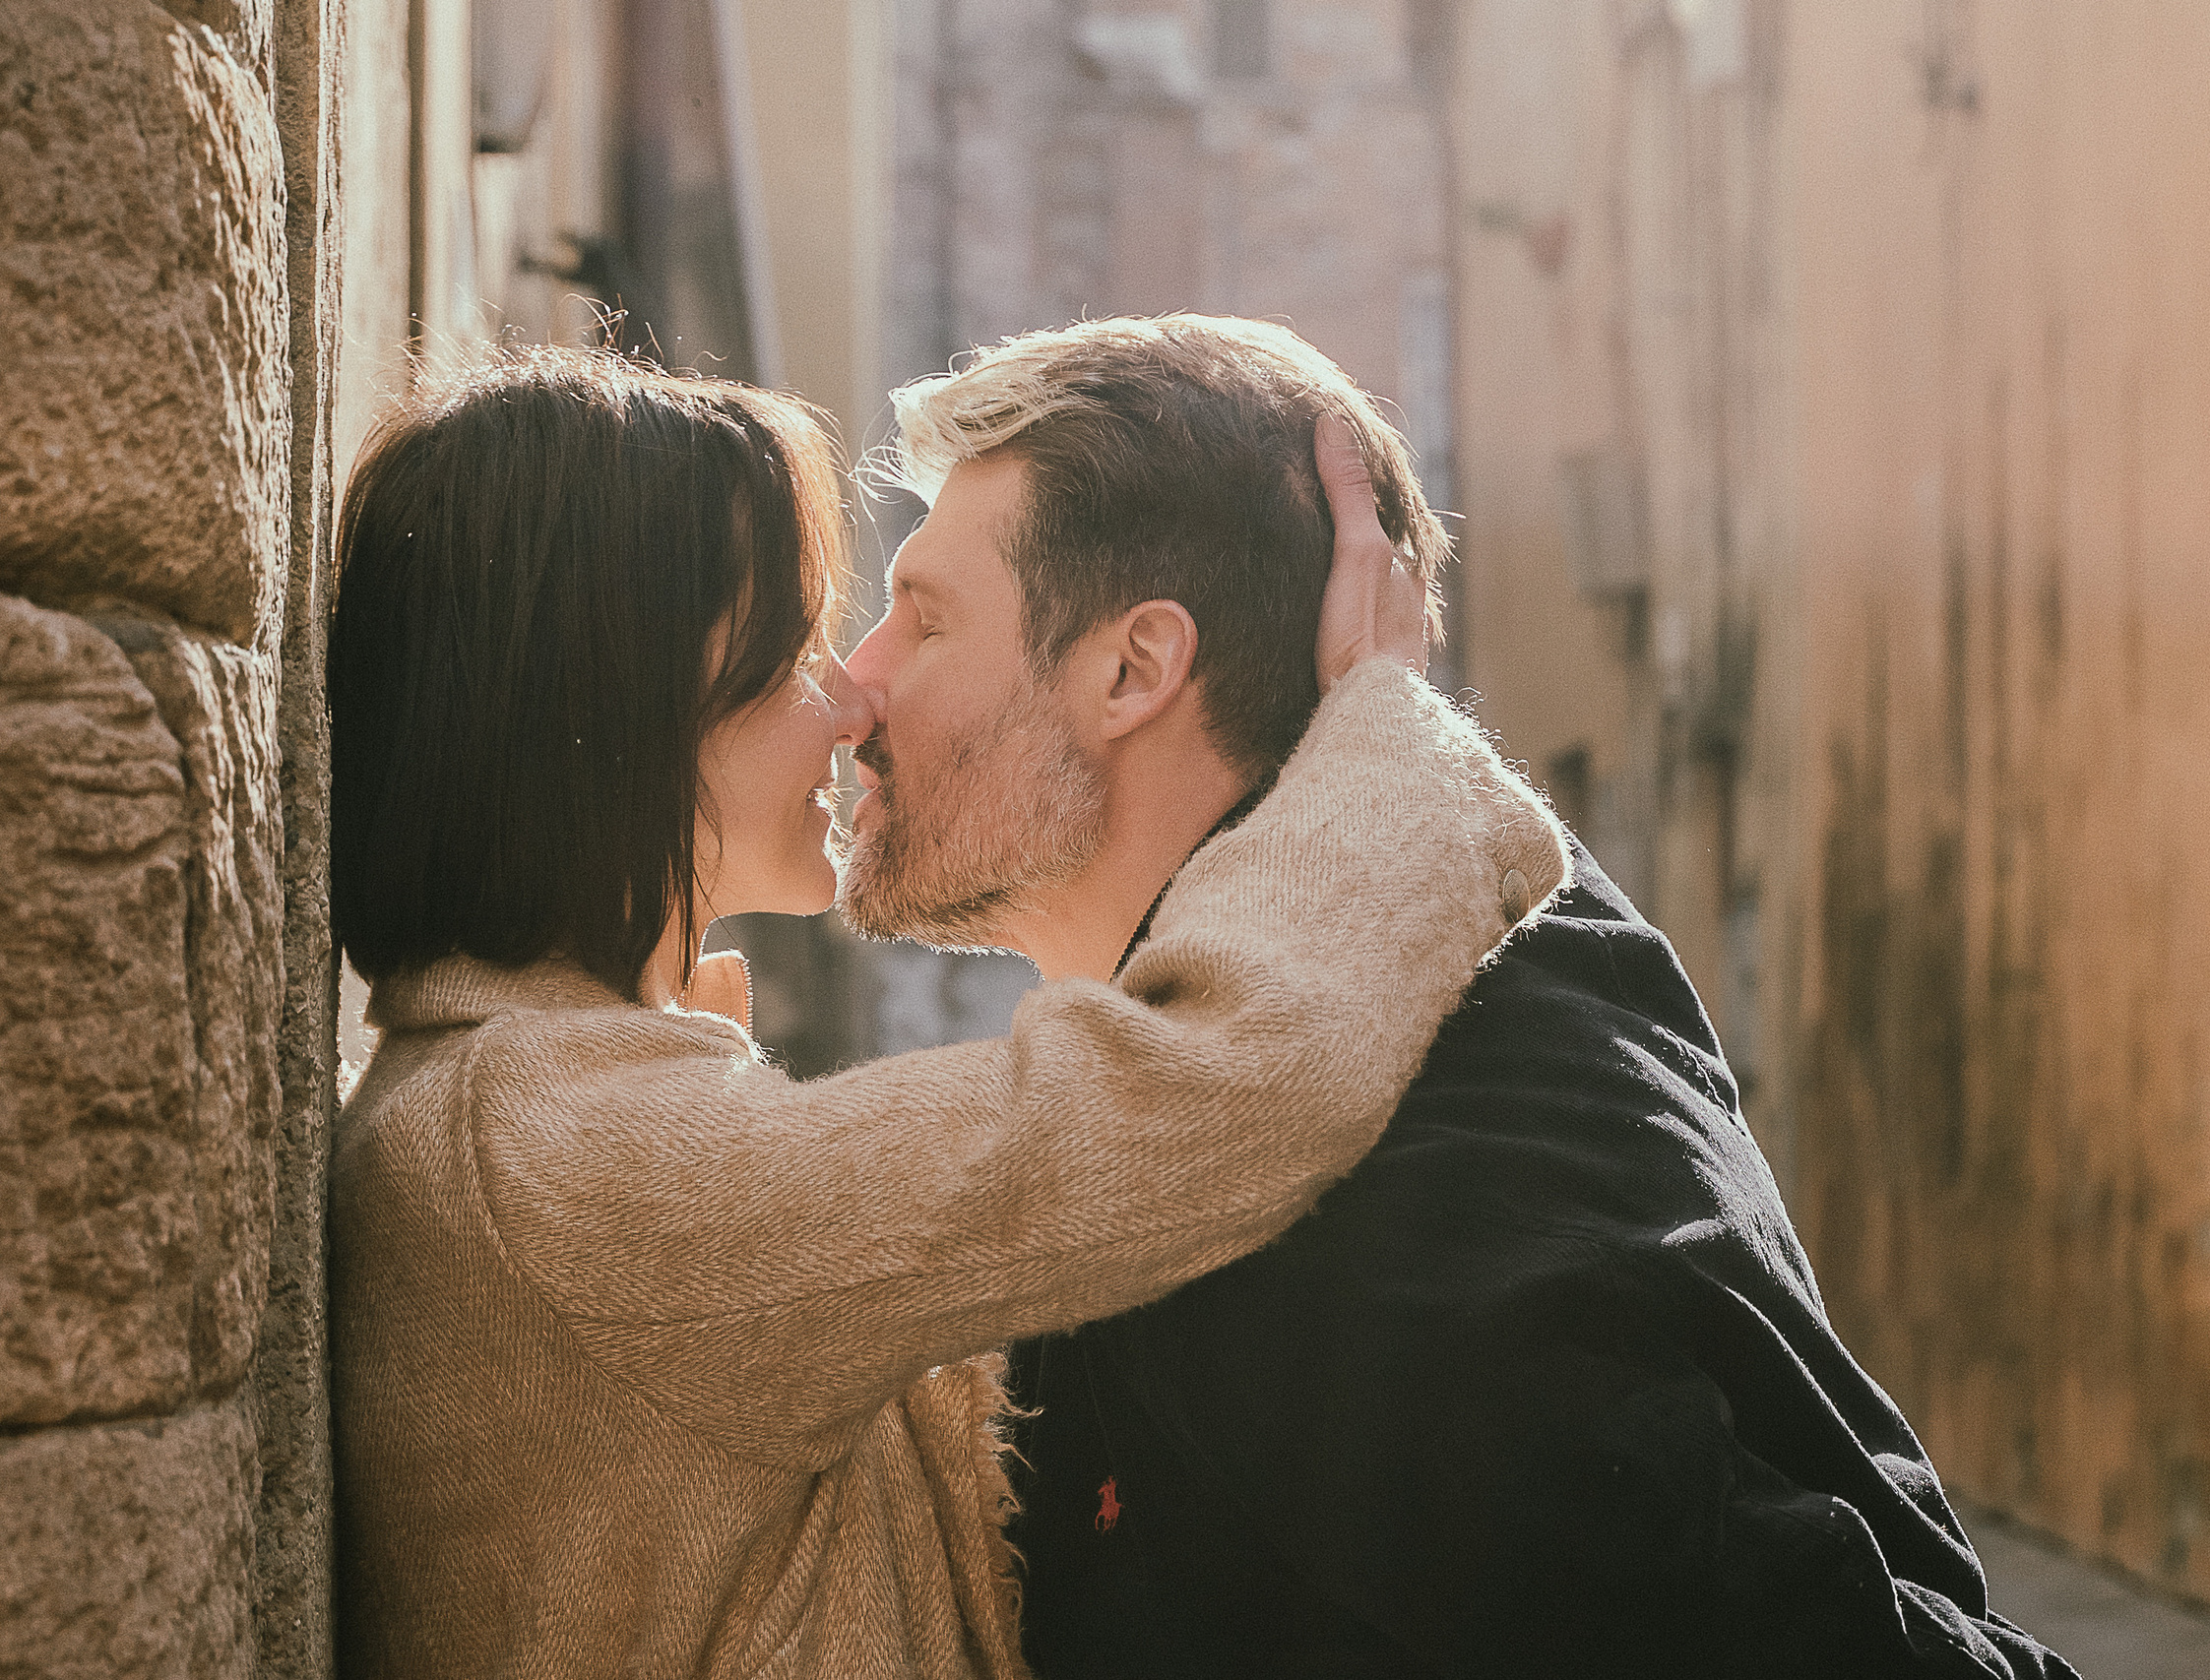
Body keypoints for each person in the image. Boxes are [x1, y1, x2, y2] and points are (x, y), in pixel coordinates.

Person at [842, 314, 2079, 1678]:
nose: (857, 677)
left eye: (924, 614)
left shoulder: (1398, 1162)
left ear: (1134, 669)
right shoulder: (1222, 1098)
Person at [323, 342, 1565, 1679]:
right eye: (794, 648)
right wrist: (1382, 732)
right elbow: (1212, 1092)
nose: (852, 695)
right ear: (621, 705)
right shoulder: (565, 1165)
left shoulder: (510, 1117)